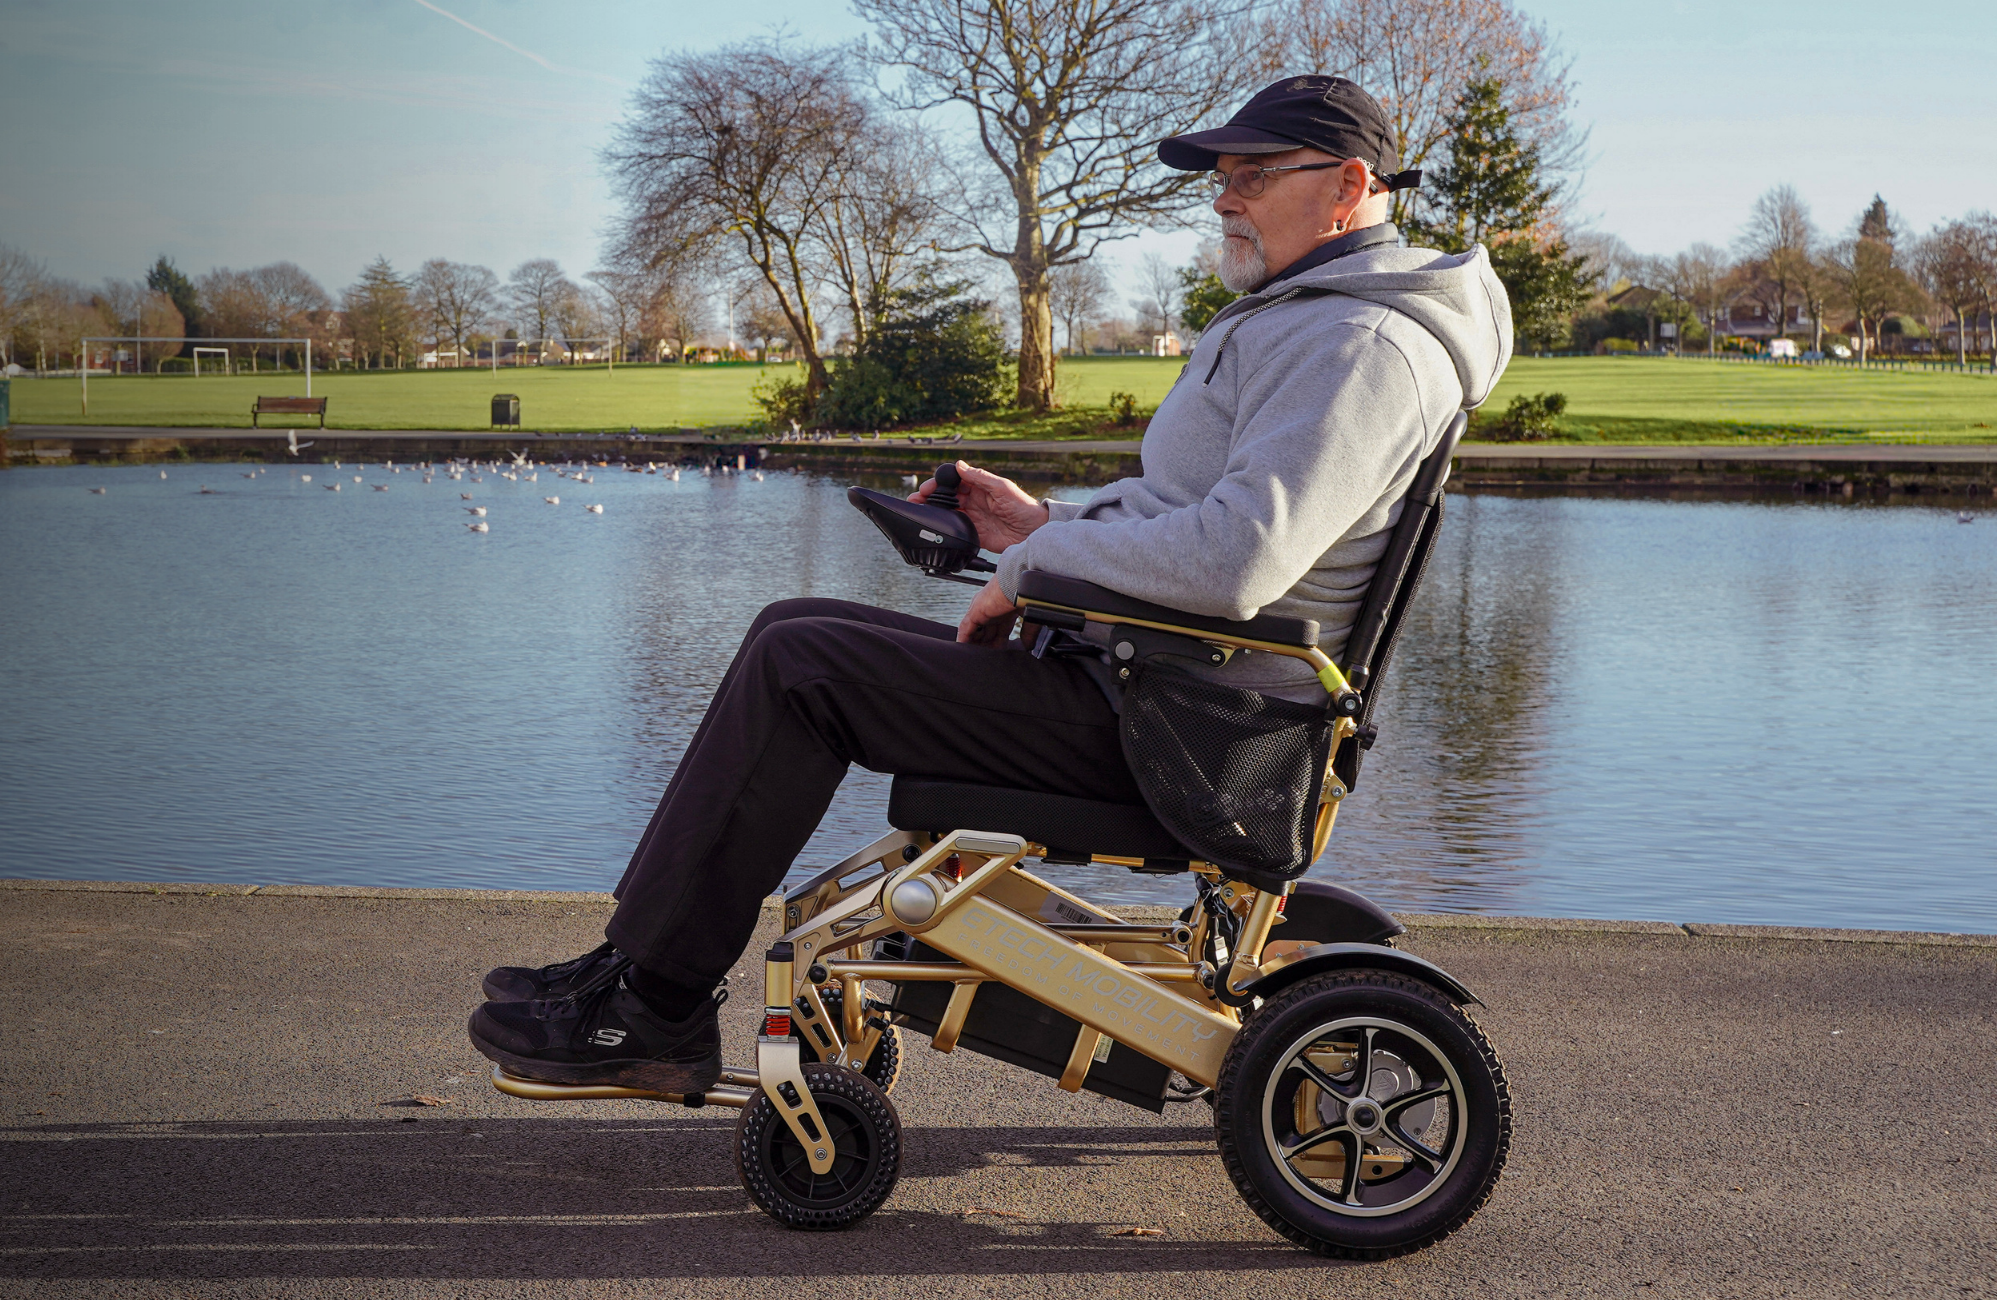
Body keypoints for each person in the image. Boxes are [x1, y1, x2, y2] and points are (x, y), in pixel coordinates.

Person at [467, 75, 1513, 1093]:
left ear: (1348, 184)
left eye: (1250, 174)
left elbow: (1240, 559)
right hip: (1159, 690)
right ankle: (637, 971)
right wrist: (1037, 525)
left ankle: (651, 1006)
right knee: (794, 625)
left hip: (1192, 733)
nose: (1222, 198)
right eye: (1220, 175)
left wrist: (1034, 568)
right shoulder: (1321, 315)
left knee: (800, 664)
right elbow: (1188, 513)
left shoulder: (1363, 340)